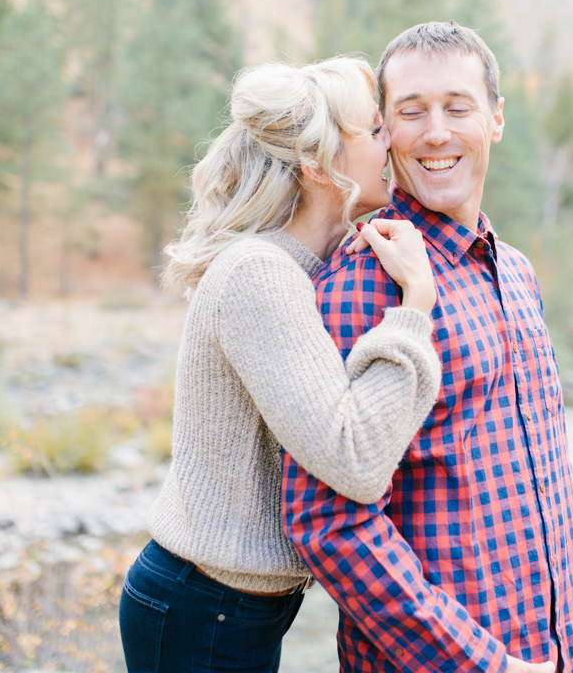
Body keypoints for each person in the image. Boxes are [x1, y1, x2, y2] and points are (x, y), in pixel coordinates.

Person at [283, 23, 573, 673]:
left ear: (496, 119)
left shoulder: (514, 271)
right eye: (410, 112)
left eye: (457, 107)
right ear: (384, 131)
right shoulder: (366, 280)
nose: (435, 132)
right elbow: (328, 523)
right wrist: (484, 666)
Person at [119, 57, 445, 673]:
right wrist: (415, 309)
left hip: (229, 605)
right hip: (201, 608)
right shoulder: (260, 275)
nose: (392, 144)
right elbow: (354, 457)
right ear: (320, 167)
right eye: (375, 131)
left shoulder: (307, 268)